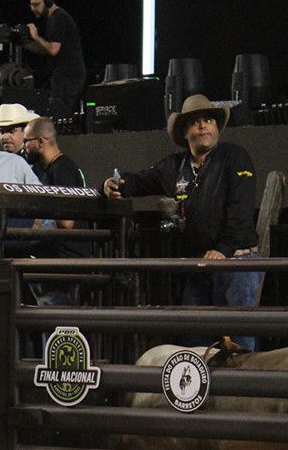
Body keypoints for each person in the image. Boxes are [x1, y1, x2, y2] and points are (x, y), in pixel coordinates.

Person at [102, 94, 261, 349]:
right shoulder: (174, 166)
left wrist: (223, 250)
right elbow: (140, 181)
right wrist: (113, 185)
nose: (203, 126)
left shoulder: (234, 157)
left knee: (238, 338)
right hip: (200, 264)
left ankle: (242, 375)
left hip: (236, 261)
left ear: (217, 127)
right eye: (195, 122)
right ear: (185, 132)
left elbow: (240, 211)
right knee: (192, 340)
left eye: (209, 120)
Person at [24, 0, 87, 120]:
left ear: (48, 1)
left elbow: (53, 49)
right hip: (63, 76)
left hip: (69, 76)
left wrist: (35, 36)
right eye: (31, 5)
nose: (33, 9)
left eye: (36, 4)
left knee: (59, 117)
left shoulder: (59, 18)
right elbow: (46, 49)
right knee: (56, 116)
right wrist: (25, 44)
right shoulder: (53, 19)